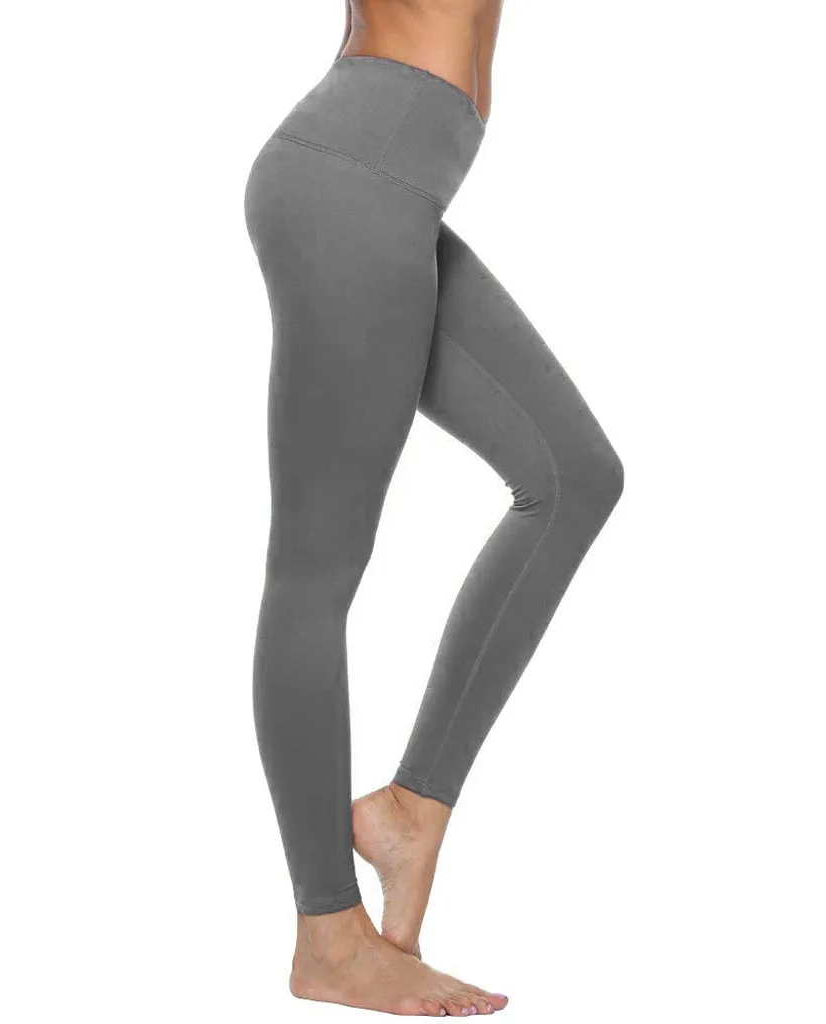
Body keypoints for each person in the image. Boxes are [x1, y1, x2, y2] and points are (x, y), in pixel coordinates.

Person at [244, 1, 623, 1015]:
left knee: (574, 474)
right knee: (316, 567)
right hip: (356, 175)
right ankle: (328, 934)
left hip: (383, 172)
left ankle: (409, 812)